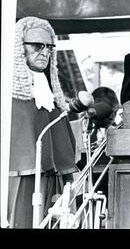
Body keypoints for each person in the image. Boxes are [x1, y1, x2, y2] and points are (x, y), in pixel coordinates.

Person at [8, 17, 78, 228]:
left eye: (49, 47)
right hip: (21, 177)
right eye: (37, 46)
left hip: (53, 177)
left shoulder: (52, 94)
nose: (45, 52)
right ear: (20, 47)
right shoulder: (8, 94)